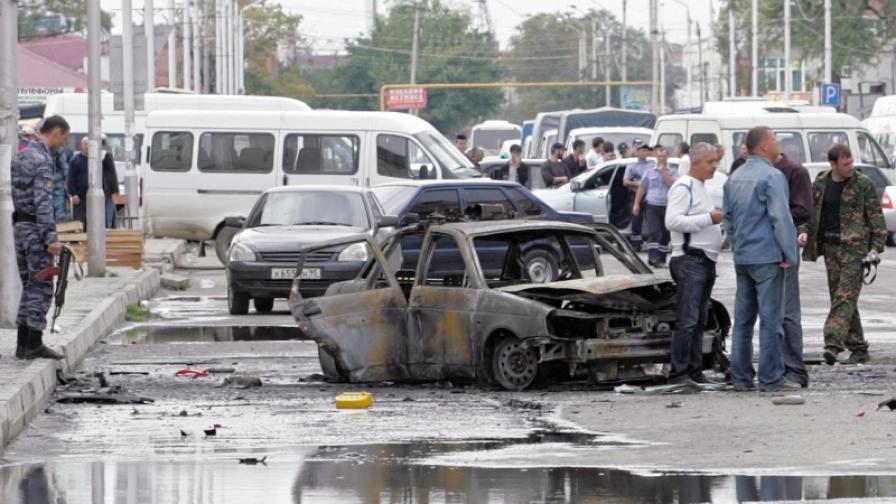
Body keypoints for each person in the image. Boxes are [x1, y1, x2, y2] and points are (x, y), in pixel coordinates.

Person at [722, 126, 800, 392]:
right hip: (768, 258)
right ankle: (771, 378)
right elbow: (781, 218)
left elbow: (727, 219)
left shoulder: (734, 177)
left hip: (743, 257)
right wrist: (790, 254)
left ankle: (741, 378)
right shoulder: (772, 176)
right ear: (765, 146)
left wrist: (737, 246)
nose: (779, 144)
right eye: (776, 139)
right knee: (770, 320)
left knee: (742, 321)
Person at [798, 144, 887, 366]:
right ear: (833, 164)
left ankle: (832, 344)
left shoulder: (863, 184)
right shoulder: (820, 183)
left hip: (855, 251)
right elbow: (811, 213)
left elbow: (876, 216)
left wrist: (876, 246)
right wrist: (804, 232)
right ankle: (858, 347)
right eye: (845, 164)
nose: (850, 167)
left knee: (845, 297)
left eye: (851, 162)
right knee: (842, 299)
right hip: (830, 248)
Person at [665, 142, 724, 385]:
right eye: (711, 162)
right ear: (697, 162)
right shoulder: (683, 186)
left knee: (698, 321)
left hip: (704, 261)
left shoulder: (700, 187)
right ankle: (679, 374)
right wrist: (708, 218)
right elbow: (672, 221)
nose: (715, 166)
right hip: (690, 261)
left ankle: (694, 370)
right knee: (687, 321)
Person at [11, 115, 68, 360]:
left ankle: (23, 344)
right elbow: (42, 201)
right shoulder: (43, 160)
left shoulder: (21, 155)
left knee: (29, 287)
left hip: (20, 227)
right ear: (55, 133)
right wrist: (51, 237)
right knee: (42, 287)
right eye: (63, 139)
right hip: (36, 230)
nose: (63, 145)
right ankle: (33, 342)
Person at [774, 150, 813, 386]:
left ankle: (794, 370)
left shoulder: (794, 172)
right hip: (759, 254)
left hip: (784, 251)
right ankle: (775, 367)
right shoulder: (754, 171)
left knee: (787, 312)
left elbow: (803, 211)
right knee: (769, 315)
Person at [633, 146, 678, 267]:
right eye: (659, 156)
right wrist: (636, 204)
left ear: (667, 157)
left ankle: (661, 259)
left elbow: (672, 184)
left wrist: (664, 172)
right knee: (654, 231)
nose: (662, 158)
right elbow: (642, 188)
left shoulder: (673, 171)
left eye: (664, 156)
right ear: (656, 157)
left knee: (665, 234)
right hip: (652, 205)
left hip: (667, 206)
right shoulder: (649, 171)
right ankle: (652, 257)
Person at [68, 136, 119, 228]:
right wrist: (73, 193)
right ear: (81, 146)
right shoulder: (75, 160)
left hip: (98, 197)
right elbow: (70, 178)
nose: (87, 146)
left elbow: (111, 175)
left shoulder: (100, 159)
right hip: (80, 197)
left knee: (98, 221)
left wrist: (114, 191)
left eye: (89, 144)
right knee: (80, 222)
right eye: (85, 144)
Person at [623, 143, 655, 251]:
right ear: (637, 152)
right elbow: (625, 182)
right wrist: (636, 183)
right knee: (636, 220)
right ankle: (636, 244)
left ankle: (652, 245)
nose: (645, 153)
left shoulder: (652, 164)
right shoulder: (632, 165)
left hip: (650, 195)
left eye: (647, 151)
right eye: (642, 151)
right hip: (636, 195)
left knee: (652, 221)